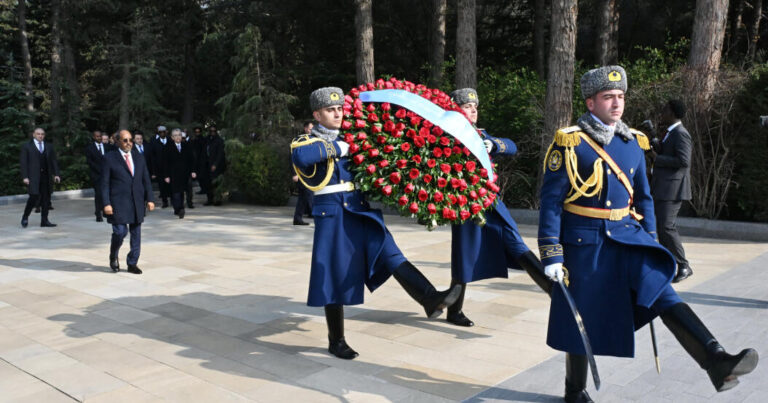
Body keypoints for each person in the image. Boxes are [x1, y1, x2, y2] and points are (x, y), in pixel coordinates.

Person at [539, 66, 757, 402]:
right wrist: (551, 251)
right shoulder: (571, 142)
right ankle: (575, 390)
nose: (617, 103)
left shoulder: (632, 142)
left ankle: (714, 357)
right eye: (608, 97)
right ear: (590, 102)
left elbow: (643, 197)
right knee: (580, 317)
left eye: (621, 96)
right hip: (585, 243)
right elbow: (551, 202)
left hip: (628, 237)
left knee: (661, 291)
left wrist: (651, 239)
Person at [291, 87, 461, 360]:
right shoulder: (306, 141)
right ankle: (337, 340)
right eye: (330, 110)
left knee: (390, 252)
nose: (337, 113)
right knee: (335, 277)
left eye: (339, 109)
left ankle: (429, 298)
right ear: (317, 114)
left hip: (360, 210)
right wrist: (338, 147)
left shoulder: (355, 137)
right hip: (333, 215)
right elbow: (302, 158)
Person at [448, 88, 552, 327]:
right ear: (455, 109)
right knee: (464, 256)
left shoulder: (482, 134)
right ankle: (454, 310)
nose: (473, 110)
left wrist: (493, 145)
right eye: (467, 106)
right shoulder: (448, 137)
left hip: (491, 201)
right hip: (466, 203)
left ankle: (552, 289)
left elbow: (512, 146)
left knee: (515, 241)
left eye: (475, 106)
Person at [650, 99, 693, 283]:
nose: (662, 112)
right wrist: (652, 137)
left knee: (667, 227)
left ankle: (684, 265)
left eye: (665, 110)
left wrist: (656, 158)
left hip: (673, 189)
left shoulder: (681, 134)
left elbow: (684, 161)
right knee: (662, 226)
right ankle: (668, 264)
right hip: (664, 187)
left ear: (674, 113)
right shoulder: (670, 133)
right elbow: (665, 150)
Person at [101, 130, 155, 274]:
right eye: (125, 140)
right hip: (118, 202)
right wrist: (106, 203)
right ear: (117, 141)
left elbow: (146, 180)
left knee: (136, 234)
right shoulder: (109, 158)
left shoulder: (139, 157)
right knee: (120, 232)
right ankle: (113, 255)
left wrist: (150, 198)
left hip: (136, 201)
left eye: (130, 140)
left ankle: (132, 263)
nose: (129, 142)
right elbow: (104, 183)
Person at [20, 127, 61, 228]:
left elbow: (53, 161)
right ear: (34, 135)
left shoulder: (49, 146)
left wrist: (56, 174)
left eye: (42, 134)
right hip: (33, 177)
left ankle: (44, 221)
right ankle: (25, 217)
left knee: (46, 199)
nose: (40, 136)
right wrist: (25, 176)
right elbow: (23, 163)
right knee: (33, 197)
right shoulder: (27, 146)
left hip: (46, 177)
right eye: (38, 134)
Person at [163, 128, 197, 219]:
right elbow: (165, 162)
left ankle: (179, 208)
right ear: (172, 137)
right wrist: (166, 175)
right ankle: (179, 208)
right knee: (175, 193)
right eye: (175, 135)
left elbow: (192, 160)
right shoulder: (167, 147)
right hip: (173, 174)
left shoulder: (187, 145)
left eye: (179, 135)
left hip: (185, 174)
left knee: (181, 192)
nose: (178, 137)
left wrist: (193, 171)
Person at [292, 121, 314, 225]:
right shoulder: (298, 140)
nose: (311, 131)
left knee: (304, 195)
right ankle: (307, 213)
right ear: (305, 128)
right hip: (301, 172)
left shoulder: (313, 139)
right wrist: (294, 173)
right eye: (310, 129)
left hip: (309, 173)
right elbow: (292, 157)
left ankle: (298, 218)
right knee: (306, 193)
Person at [85, 129, 108, 222]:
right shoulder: (89, 148)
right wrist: (100, 170)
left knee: (106, 193)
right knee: (98, 194)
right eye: (97, 136)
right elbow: (90, 162)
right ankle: (98, 213)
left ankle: (105, 211)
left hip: (107, 174)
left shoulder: (107, 147)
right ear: (94, 137)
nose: (99, 138)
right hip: (96, 175)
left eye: (100, 136)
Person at [203, 125, 225, 206]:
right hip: (207, 164)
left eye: (214, 131)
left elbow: (220, 154)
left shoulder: (219, 140)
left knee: (216, 183)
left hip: (216, 165)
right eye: (211, 131)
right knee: (208, 183)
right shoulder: (207, 139)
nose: (212, 133)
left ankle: (218, 200)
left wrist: (215, 164)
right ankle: (210, 199)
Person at [149, 125, 171, 208]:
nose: (162, 133)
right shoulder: (154, 142)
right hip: (160, 168)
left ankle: (173, 201)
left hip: (170, 167)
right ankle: (164, 201)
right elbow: (153, 157)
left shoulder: (170, 141)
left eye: (163, 132)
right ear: (158, 133)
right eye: (160, 132)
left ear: (166, 132)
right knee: (162, 186)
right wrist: (154, 171)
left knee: (171, 184)